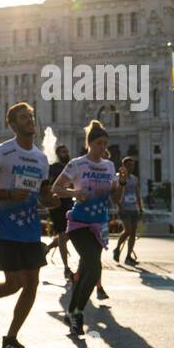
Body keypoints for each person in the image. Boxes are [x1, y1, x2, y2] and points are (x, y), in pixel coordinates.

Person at [0, 102, 56, 348]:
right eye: (23, 117)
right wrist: (7, 193)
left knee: (32, 284)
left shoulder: (41, 158)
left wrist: (50, 200)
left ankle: (11, 339)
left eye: (31, 116)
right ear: (13, 125)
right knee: (14, 283)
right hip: (5, 227)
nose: (30, 120)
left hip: (30, 229)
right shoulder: (1, 152)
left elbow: (40, 195)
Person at [52, 120, 121, 336]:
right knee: (95, 267)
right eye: (99, 143)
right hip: (78, 224)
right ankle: (78, 312)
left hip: (98, 226)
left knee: (84, 271)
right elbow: (56, 188)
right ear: (90, 144)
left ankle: (71, 311)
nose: (102, 148)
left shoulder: (109, 166)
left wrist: (122, 183)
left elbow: (116, 199)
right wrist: (75, 194)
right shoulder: (77, 164)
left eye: (105, 144)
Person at [45, 143, 76, 288]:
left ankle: (49, 247)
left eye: (66, 151)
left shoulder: (72, 166)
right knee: (63, 235)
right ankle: (66, 267)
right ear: (58, 154)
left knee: (72, 232)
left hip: (69, 203)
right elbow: (47, 185)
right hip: (57, 205)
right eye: (63, 151)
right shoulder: (54, 168)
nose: (65, 153)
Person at [112, 156, 141, 266]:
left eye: (132, 165)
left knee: (133, 233)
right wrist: (119, 206)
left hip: (133, 208)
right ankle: (117, 248)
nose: (131, 167)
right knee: (127, 230)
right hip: (124, 207)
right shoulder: (118, 177)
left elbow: (137, 193)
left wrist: (140, 207)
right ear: (124, 165)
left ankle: (128, 256)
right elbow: (116, 192)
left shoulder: (134, 178)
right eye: (128, 165)